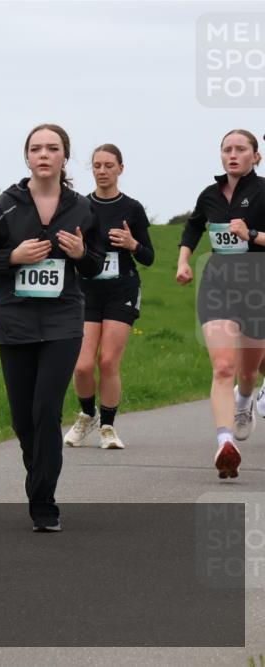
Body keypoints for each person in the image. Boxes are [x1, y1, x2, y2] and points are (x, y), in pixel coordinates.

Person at [0, 123, 102, 532]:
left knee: (46, 411)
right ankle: (38, 472)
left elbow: (95, 266)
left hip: (63, 321)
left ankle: (44, 501)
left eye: (53, 148)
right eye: (36, 148)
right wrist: (13, 256)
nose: (44, 154)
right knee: (23, 420)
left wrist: (81, 254)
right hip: (15, 321)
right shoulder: (6, 205)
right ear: (27, 157)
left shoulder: (81, 207)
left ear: (65, 157)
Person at [176, 129, 265, 479]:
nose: (232, 154)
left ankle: (245, 401)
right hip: (218, 284)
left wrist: (253, 235)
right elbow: (193, 227)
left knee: (249, 368)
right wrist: (184, 260)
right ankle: (225, 443)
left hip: (258, 285)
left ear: (255, 156)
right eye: (227, 149)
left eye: (241, 149)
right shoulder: (210, 194)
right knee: (224, 365)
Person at [63, 144, 154, 449]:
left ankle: (108, 427)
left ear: (120, 169)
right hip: (86, 290)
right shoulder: (79, 206)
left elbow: (149, 257)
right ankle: (87, 415)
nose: (102, 171)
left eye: (109, 166)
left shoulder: (133, 208)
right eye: (97, 166)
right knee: (82, 365)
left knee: (109, 361)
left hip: (122, 290)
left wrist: (132, 244)